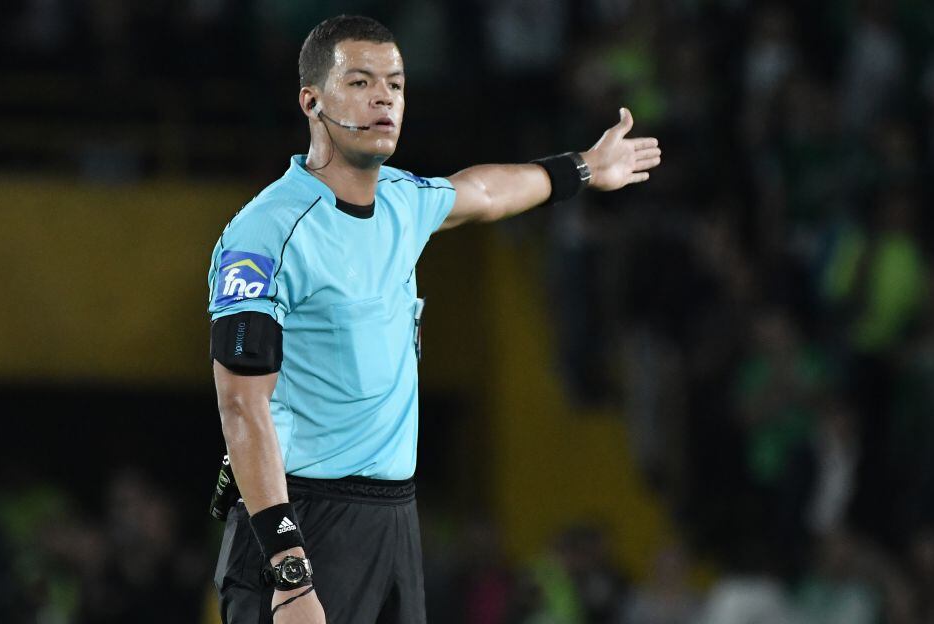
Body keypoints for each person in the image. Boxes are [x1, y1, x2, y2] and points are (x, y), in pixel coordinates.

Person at [208, 14, 661, 624]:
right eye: (361, 82)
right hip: (302, 523)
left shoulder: (401, 201)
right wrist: (289, 577)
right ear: (311, 101)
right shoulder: (266, 231)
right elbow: (242, 407)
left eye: (395, 84)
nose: (383, 98)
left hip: (395, 523)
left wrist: (583, 168)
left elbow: (485, 193)